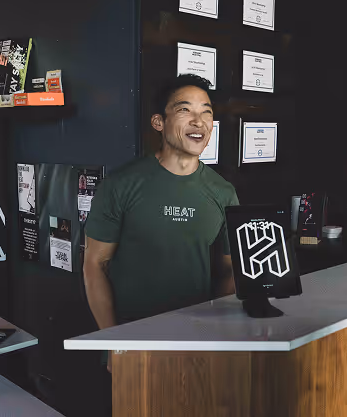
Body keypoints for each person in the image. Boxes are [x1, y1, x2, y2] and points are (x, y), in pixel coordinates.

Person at [83, 74, 239, 372]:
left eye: (206, 112)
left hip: (195, 346)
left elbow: (230, 270)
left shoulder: (223, 192)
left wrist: (213, 331)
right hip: (134, 343)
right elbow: (95, 265)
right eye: (185, 110)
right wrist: (114, 340)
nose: (199, 121)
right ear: (159, 122)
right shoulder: (121, 185)